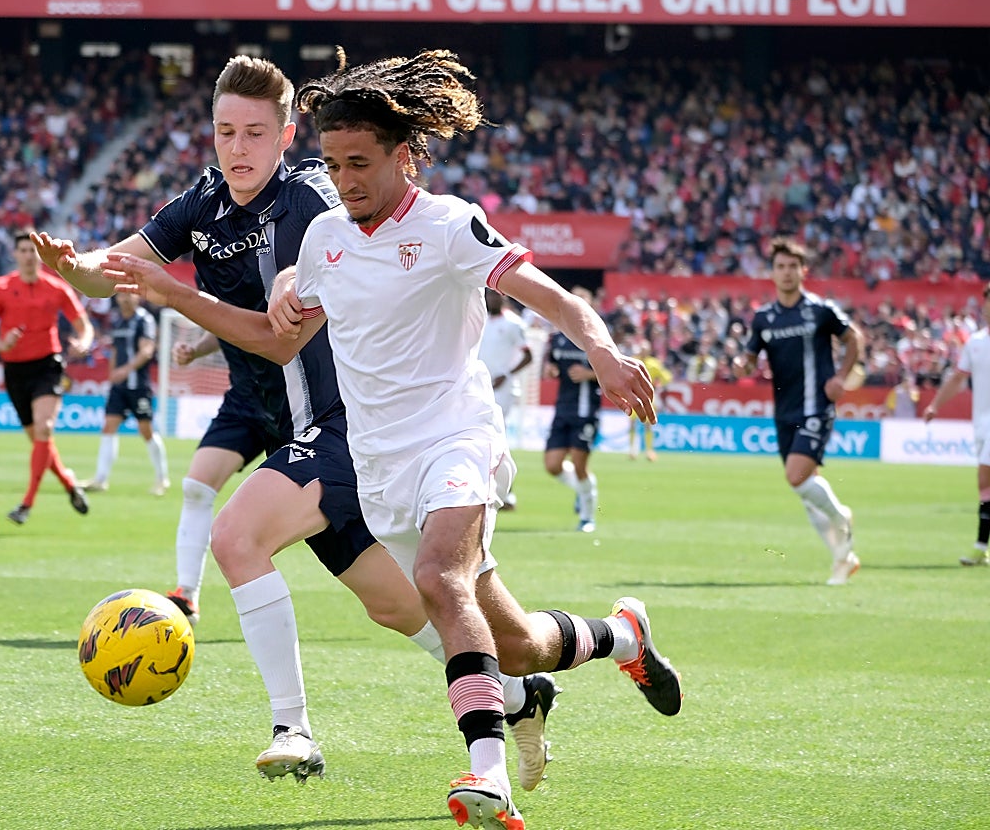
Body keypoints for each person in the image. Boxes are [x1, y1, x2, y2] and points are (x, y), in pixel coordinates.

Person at [107, 49, 682, 830]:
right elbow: (277, 336)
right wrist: (193, 305)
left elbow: (547, 294)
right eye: (334, 163)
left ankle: (487, 777)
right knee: (513, 645)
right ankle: (623, 637)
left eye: (361, 164)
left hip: (457, 439)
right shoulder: (325, 242)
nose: (344, 182)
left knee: (441, 580)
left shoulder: (449, 226)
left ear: (406, 155)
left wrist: (604, 351)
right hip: (380, 469)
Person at [32, 55, 560, 791]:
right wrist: (72, 264)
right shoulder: (204, 203)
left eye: (254, 133)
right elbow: (114, 269)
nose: (238, 148)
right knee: (399, 609)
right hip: (290, 430)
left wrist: (209, 295)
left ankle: (294, 728)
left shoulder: (316, 198)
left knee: (235, 535)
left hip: (345, 423)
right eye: (224, 132)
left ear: (286, 137)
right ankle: (514, 692)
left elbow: (291, 311)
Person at [732, 237, 864, 585]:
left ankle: (842, 518)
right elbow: (749, 358)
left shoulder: (820, 310)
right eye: (781, 267)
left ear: (803, 271)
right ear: (772, 273)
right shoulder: (763, 318)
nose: (787, 272)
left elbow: (855, 338)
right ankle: (843, 558)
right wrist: (742, 366)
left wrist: (841, 377)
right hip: (784, 412)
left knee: (796, 476)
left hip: (816, 407)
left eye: (793, 266)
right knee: (806, 492)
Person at [0, 231, 94, 525]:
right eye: (23, 250)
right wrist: (3, 345)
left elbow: (84, 327)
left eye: (32, 250)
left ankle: (26, 504)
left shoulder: (56, 288)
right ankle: (69, 484)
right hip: (15, 371)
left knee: (45, 427)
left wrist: (83, 343)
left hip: (47, 365)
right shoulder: (2, 288)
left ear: (39, 255)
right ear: (15, 255)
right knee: (41, 440)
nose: (28, 255)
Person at [923, 283, 990, 566]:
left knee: (985, 477)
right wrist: (936, 405)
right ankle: (982, 548)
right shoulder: (975, 342)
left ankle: (979, 545)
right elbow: (957, 379)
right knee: (985, 485)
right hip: (982, 422)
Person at [83, 291, 170, 496]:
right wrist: (112, 373)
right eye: (121, 295)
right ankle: (100, 479)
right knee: (108, 426)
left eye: (129, 294)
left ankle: (162, 479)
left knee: (146, 429)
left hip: (138, 385)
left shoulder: (144, 320)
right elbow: (115, 350)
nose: (125, 298)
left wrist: (125, 370)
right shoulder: (117, 320)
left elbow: (147, 350)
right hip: (119, 386)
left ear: (137, 297)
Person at [543, 320, 603, 534]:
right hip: (562, 409)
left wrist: (589, 374)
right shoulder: (558, 338)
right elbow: (552, 365)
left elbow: (613, 370)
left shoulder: (595, 338)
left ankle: (588, 518)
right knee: (552, 465)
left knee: (579, 465)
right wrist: (551, 370)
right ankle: (582, 488)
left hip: (586, 410)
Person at [477, 288, 532, 510]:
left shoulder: (513, 323)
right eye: (488, 295)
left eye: (495, 295)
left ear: (504, 296)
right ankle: (493, 490)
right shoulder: (479, 318)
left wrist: (506, 374)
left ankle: (505, 492)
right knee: (481, 436)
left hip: (504, 389)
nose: (492, 299)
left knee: (494, 434)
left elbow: (528, 356)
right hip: (479, 385)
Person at [628, 338, 672, 462]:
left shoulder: (654, 364)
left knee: (648, 424)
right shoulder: (632, 361)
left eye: (645, 349)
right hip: (634, 396)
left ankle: (649, 450)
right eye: (642, 349)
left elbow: (666, 377)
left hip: (648, 397)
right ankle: (632, 450)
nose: (643, 351)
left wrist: (659, 385)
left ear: (649, 350)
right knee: (632, 423)